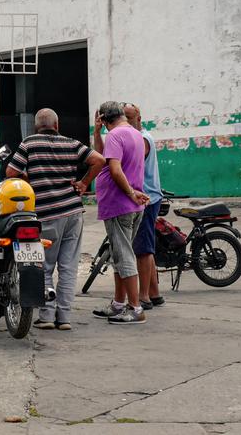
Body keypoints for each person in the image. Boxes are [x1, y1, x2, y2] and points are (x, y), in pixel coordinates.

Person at [6, 108, 106, 330]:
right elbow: (99, 160)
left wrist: (28, 176)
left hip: (46, 214)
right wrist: (83, 183)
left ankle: (48, 316)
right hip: (73, 212)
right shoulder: (71, 143)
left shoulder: (29, 143)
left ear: (36, 126)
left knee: (45, 265)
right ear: (57, 126)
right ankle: (65, 318)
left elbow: (11, 173)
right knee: (69, 267)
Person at [90, 101, 151, 325]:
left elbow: (114, 169)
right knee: (119, 254)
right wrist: (98, 132)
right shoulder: (134, 133)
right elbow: (103, 157)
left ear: (105, 119)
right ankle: (118, 304)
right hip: (131, 205)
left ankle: (135, 308)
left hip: (120, 203)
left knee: (124, 256)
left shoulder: (116, 135)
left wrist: (130, 192)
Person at [124, 103, 166, 310]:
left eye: (129, 118)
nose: (126, 122)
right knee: (145, 247)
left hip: (145, 199)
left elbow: (130, 163)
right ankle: (155, 294)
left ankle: (144, 298)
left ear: (139, 118)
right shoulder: (139, 137)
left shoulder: (142, 139)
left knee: (143, 250)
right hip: (147, 197)